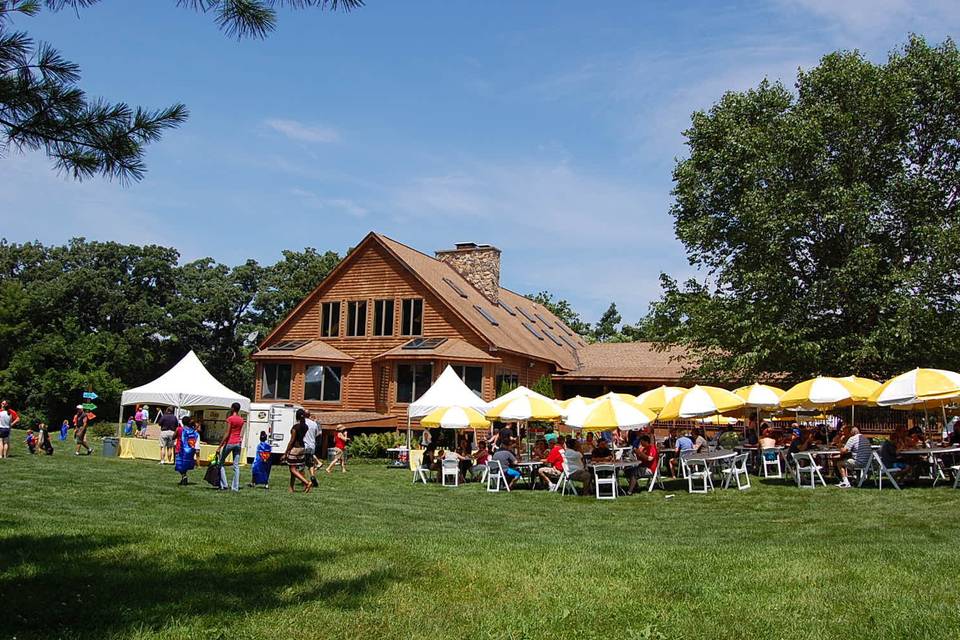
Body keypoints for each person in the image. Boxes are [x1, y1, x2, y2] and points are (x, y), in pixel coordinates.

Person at [217, 402, 245, 492]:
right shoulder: (241, 420)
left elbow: (227, 433)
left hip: (230, 442)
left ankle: (224, 484)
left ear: (232, 408)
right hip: (238, 443)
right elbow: (241, 432)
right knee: (236, 466)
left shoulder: (230, 419)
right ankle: (235, 487)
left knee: (220, 463)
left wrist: (220, 446)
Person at [282, 409, 311, 493]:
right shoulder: (305, 426)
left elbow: (292, 440)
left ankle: (306, 482)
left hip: (295, 448)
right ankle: (291, 488)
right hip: (302, 448)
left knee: (292, 469)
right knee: (293, 467)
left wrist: (285, 452)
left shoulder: (295, 427)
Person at [174, 417, 200, 486]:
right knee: (184, 464)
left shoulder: (180, 429)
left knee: (179, 464)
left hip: (179, 448)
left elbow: (173, 437)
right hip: (189, 449)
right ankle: (183, 477)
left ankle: (184, 476)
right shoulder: (192, 431)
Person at [302, 410, 321, 488]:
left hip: (303, 445)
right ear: (309, 415)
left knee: (300, 464)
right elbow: (317, 434)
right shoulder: (314, 424)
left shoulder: (301, 423)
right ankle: (312, 476)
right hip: (312, 445)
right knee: (310, 463)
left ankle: (303, 480)